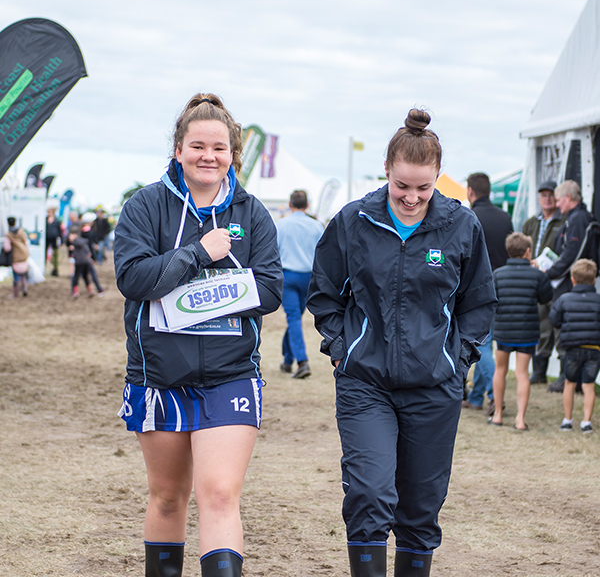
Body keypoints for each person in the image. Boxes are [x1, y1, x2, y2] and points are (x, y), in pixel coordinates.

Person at [307, 109, 497, 577]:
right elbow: (324, 293)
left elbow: (479, 302)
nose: (412, 198)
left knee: (420, 508)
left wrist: (460, 358)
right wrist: (341, 347)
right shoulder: (354, 222)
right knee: (370, 493)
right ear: (386, 172)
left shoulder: (461, 226)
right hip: (365, 384)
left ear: (438, 179)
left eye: (424, 188)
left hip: (435, 388)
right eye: (402, 186)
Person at [113, 93, 283, 577]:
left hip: (229, 376)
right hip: (159, 377)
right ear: (178, 149)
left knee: (221, 493)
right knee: (168, 497)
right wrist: (197, 254)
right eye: (198, 146)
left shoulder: (251, 212)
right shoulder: (144, 206)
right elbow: (133, 280)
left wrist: (208, 294)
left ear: (233, 154)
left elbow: (270, 289)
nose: (208, 156)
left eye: (220, 148)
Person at [489, 233, 553, 430]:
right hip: (527, 331)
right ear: (527, 252)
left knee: (500, 370)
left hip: (503, 329)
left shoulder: (498, 274)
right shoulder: (538, 275)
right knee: (522, 373)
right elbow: (545, 299)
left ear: (508, 251)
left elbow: (492, 301)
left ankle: (498, 415)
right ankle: (520, 419)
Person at [536, 180, 595, 393]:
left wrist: (549, 273)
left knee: (568, 330)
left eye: (559, 200)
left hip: (572, 285)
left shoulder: (577, 219)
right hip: (571, 283)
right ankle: (570, 378)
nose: (558, 205)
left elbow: (572, 254)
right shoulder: (575, 218)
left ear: (568, 198)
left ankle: (569, 378)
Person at [462, 172, 513, 415]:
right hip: (504, 286)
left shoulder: (469, 216)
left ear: (470, 191)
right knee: (485, 344)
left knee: (481, 345)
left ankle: (495, 395)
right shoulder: (505, 217)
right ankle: (475, 398)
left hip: (477, 289)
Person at [276, 189, 324, 379]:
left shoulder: (281, 225)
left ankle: (302, 361)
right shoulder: (317, 226)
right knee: (295, 319)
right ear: (307, 205)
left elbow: (274, 252)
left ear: (289, 204)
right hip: (309, 278)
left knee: (293, 319)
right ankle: (288, 360)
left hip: (288, 277)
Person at [549, 259, 600, 434]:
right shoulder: (598, 300)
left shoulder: (564, 299)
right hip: (594, 349)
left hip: (571, 349)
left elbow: (554, 320)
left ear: (572, 279)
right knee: (589, 385)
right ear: (594, 280)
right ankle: (586, 422)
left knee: (569, 383)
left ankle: (567, 420)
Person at [522, 180, 565, 384]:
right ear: (539, 198)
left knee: (558, 323)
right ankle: (539, 372)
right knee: (541, 324)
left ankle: (565, 374)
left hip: (558, 279)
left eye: (551, 195)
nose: (547, 199)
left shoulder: (563, 220)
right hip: (535, 281)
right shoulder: (531, 222)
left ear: (556, 198)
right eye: (543, 195)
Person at [67, 228, 106, 298]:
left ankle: (75, 292)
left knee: (76, 276)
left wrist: (72, 243)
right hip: (86, 261)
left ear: (74, 235)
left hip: (80, 261)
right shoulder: (83, 241)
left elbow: (76, 244)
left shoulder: (76, 241)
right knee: (85, 276)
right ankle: (91, 291)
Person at [3, 216, 30, 298]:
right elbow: (26, 240)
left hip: (16, 256)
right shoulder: (21, 231)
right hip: (24, 254)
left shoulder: (9, 235)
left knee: (16, 275)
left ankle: (15, 293)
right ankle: (25, 288)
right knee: (23, 274)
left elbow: (7, 248)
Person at [45, 206, 63, 277]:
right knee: (45, 253)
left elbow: (59, 231)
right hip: (46, 238)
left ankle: (55, 269)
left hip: (54, 239)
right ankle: (44, 267)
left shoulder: (57, 221)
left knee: (55, 254)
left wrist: (61, 240)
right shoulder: (45, 220)